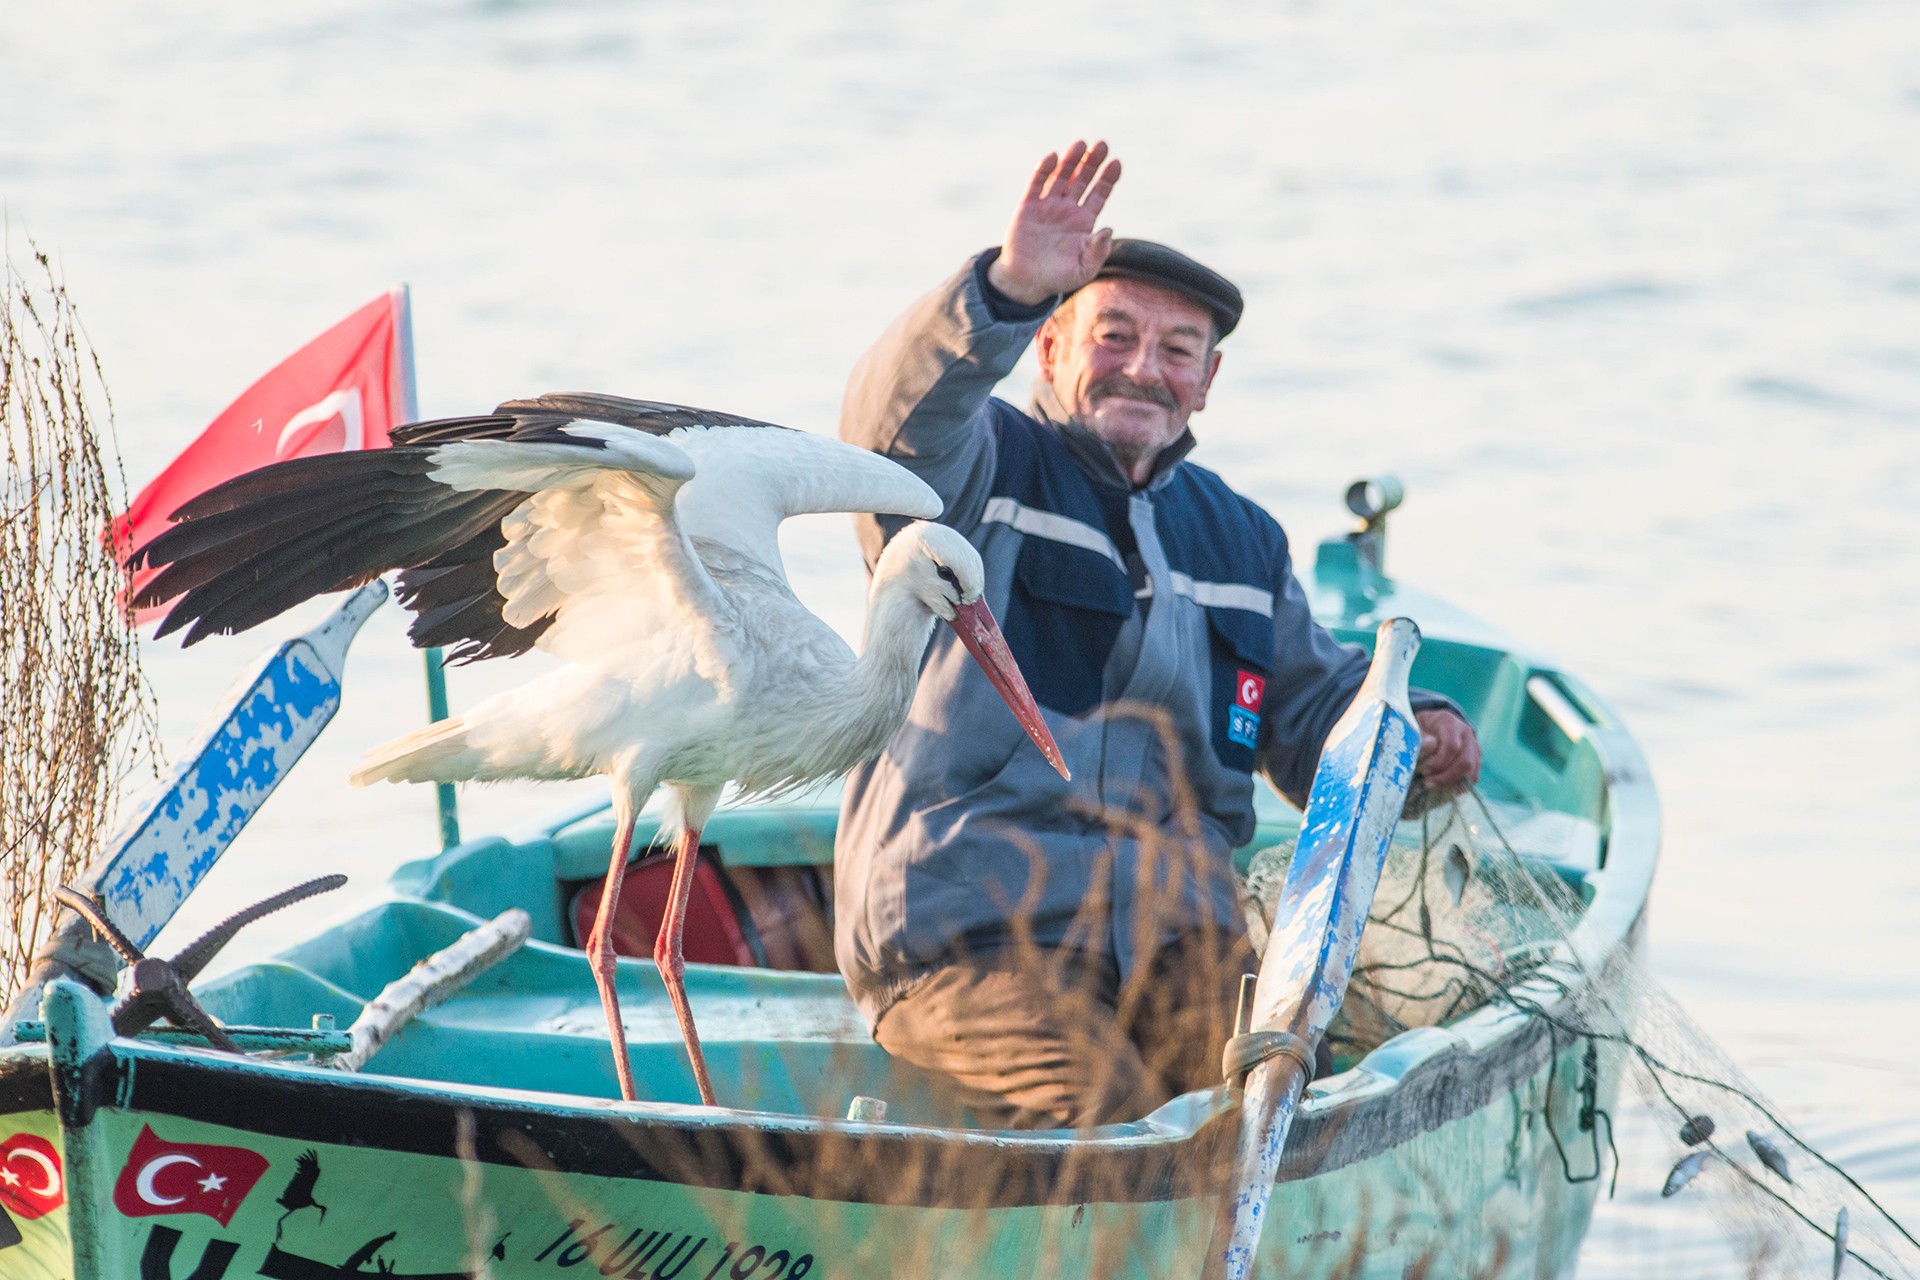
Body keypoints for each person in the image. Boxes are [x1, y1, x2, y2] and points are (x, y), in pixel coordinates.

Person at [834, 140, 1481, 1129]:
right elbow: (890, 426)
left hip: (1179, 948)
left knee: (1263, 1112)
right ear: (1050, 347)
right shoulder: (980, 471)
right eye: (1114, 333)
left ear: (1207, 380)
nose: (1144, 367)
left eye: (1177, 350)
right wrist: (1004, 288)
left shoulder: (1241, 537)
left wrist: (1421, 731)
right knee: (1108, 1117)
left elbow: (1313, 718)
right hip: (970, 943)